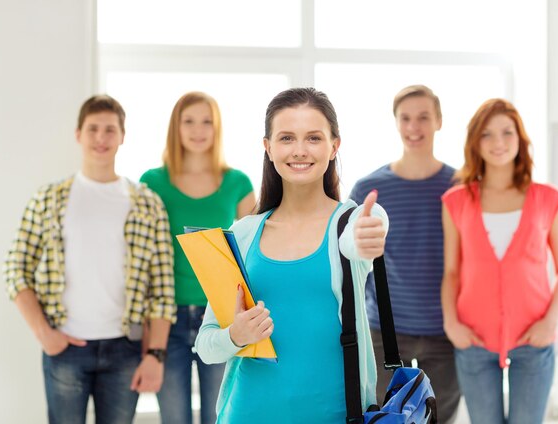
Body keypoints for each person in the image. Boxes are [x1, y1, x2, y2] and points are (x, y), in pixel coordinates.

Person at [193, 87, 388, 423]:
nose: (300, 151)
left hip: (334, 414)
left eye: (313, 138)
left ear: (334, 146)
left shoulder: (353, 222)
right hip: (247, 413)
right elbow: (206, 345)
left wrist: (369, 237)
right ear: (268, 147)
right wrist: (236, 336)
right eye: (286, 138)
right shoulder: (242, 233)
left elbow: (365, 236)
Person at [3, 95, 176, 424]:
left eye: (110, 129)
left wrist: (155, 354)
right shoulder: (49, 198)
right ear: (78, 134)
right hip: (66, 347)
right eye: (93, 129)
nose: (101, 138)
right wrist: (44, 333)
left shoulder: (147, 203)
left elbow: (162, 288)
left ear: (122, 136)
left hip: (125, 348)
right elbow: (15, 268)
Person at [441, 98, 558, 424]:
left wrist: (550, 322)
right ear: (475, 142)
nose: (498, 143)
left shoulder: (548, 199)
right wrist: (451, 324)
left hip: (534, 337)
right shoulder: (456, 201)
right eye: (486, 134)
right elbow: (452, 271)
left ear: (520, 138)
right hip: (473, 338)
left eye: (507, 132)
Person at [140, 91, 256, 424]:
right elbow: (143, 256)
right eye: (188, 121)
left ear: (217, 128)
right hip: (168, 321)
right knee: (174, 418)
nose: (198, 129)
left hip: (219, 316)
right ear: (175, 128)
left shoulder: (237, 182)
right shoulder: (152, 182)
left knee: (220, 416)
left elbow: (254, 248)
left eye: (206, 121)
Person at [349, 84, 460, 423]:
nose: (414, 127)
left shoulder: (459, 186)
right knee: (383, 418)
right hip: (384, 333)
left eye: (424, 117)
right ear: (396, 123)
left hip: (445, 333)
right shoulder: (368, 189)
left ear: (439, 121)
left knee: (438, 419)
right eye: (406, 118)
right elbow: (351, 262)